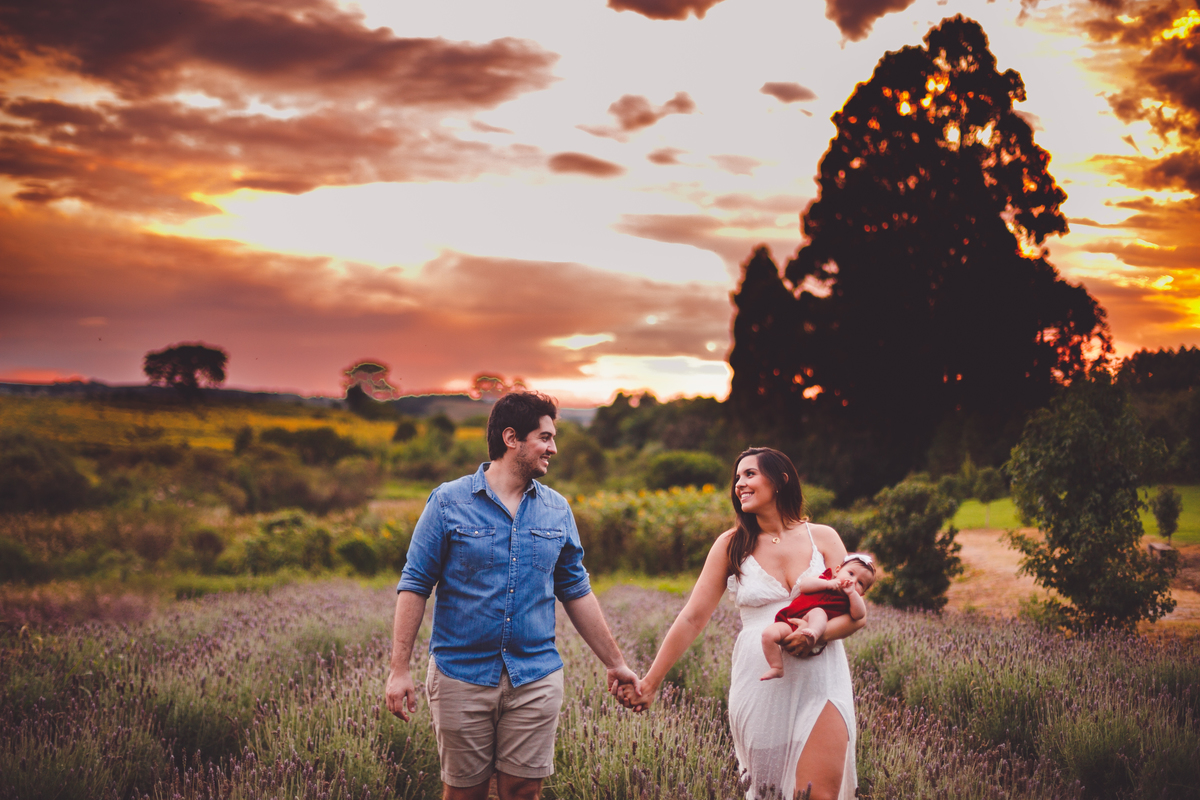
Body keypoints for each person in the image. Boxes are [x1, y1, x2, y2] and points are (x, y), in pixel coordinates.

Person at [384, 391, 639, 800]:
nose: (553, 448)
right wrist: (399, 670)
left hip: (534, 677)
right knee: (464, 793)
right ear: (511, 438)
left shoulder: (557, 509)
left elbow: (575, 589)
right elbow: (415, 584)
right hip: (460, 675)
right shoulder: (448, 502)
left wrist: (616, 663)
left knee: (523, 792)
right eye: (545, 437)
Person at [621, 447, 866, 800]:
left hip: (822, 676)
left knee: (818, 795)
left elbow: (855, 614)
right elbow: (692, 618)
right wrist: (651, 682)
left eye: (749, 474)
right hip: (761, 680)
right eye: (737, 477)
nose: (740, 484)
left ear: (781, 480)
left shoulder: (823, 537)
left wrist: (817, 633)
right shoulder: (731, 545)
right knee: (768, 795)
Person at [760, 554, 874, 681]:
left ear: (862, 593)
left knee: (818, 611)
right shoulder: (823, 578)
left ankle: (813, 633)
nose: (852, 581)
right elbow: (804, 585)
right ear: (837, 571)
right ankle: (776, 667)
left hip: (811, 624)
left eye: (860, 583)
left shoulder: (850, 601)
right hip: (790, 620)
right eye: (851, 573)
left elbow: (859, 615)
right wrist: (826, 584)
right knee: (768, 634)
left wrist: (852, 594)